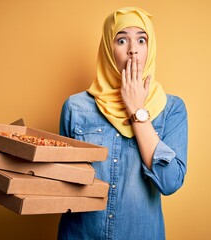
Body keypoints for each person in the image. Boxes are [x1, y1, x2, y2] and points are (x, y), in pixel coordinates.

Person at [57, 7, 188, 240]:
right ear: (108, 49)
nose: (133, 51)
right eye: (121, 40)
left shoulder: (171, 109)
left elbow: (170, 183)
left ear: (151, 48)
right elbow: (64, 184)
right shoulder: (75, 107)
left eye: (141, 39)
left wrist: (137, 111)